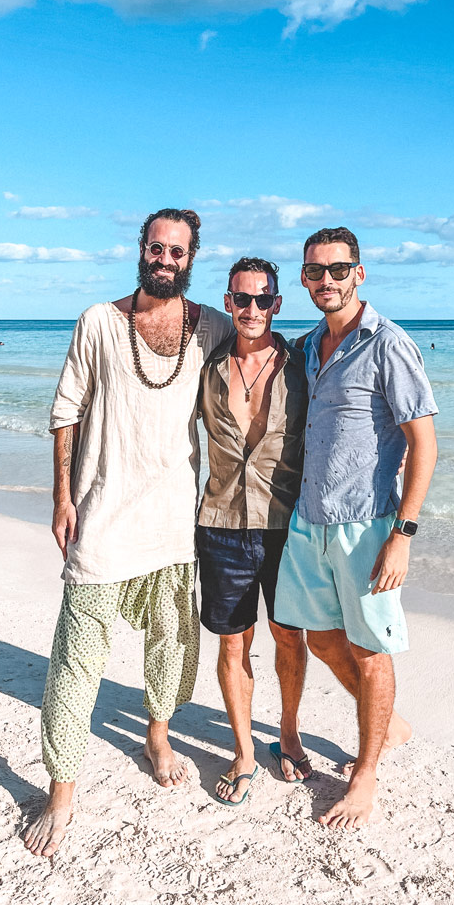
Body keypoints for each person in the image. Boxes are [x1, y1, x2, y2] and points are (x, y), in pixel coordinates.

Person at [23, 208, 230, 859]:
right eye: (156, 247)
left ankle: (158, 734)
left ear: (192, 258)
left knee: (172, 646)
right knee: (76, 659)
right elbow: (66, 409)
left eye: (178, 251)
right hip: (103, 517)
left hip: (173, 522)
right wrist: (61, 493)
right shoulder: (98, 322)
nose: (165, 258)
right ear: (142, 250)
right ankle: (62, 789)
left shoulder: (213, 329)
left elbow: (256, 386)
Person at [275, 226, 438, 830]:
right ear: (303, 278)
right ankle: (387, 723)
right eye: (315, 271)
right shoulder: (307, 345)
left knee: (371, 652)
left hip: (366, 525)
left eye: (338, 270)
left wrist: (404, 532)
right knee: (319, 639)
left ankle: (366, 775)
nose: (327, 281)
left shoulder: (388, 345)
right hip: (307, 520)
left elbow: (424, 444)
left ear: (359, 273)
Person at [197, 257, 310, 807]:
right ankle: (244, 750)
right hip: (219, 522)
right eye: (242, 299)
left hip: (285, 524)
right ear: (228, 302)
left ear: (278, 304)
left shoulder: (303, 363)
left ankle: (287, 732)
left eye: (263, 300)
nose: (252, 310)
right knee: (232, 640)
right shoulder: (206, 367)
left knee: (289, 635)